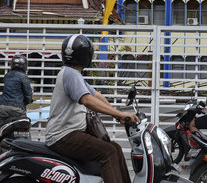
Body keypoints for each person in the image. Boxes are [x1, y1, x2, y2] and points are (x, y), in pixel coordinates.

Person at [45, 34, 139, 183]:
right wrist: (119, 113)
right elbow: (88, 100)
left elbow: (96, 95)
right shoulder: (71, 74)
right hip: (63, 135)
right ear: (86, 56)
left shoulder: (74, 74)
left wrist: (118, 115)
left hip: (71, 133)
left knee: (116, 148)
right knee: (108, 152)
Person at [0, 54, 33, 168]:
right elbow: (28, 93)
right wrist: (28, 100)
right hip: (18, 109)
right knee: (26, 130)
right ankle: (29, 156)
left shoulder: (7, 76)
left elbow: (6, 92)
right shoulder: (23, 77)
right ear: (25, 65)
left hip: (3, 108)